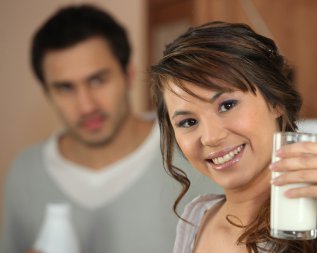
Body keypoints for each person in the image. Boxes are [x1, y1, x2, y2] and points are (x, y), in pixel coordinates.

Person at [0, 4, 214, 253]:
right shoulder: (26, 172)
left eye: (98, 80)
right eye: (65, 88)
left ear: (129, 74)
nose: (86, 106)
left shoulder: (193, 148)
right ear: (47, 93)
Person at [150, 21, 317, 253]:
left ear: (275, 102)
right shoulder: (197, 218)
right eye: (188, 122)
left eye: (227, 105)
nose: (211, 137)